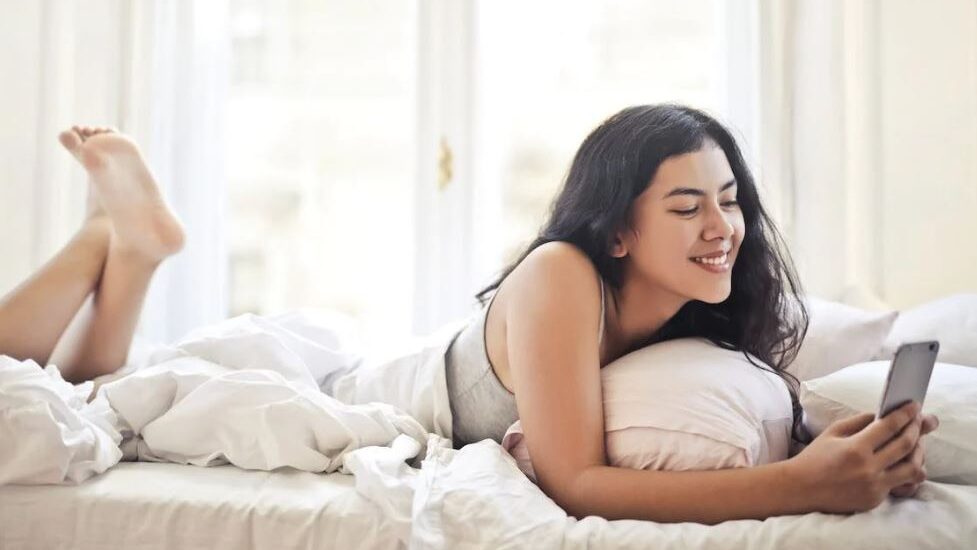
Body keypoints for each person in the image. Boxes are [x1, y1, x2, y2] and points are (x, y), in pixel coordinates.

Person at [0, 106, 938, 525]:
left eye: (729, 199)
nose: (723, 228)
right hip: (320, 385)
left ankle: (123, 248)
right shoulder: (560, 274)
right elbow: (575, 480)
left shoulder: (707, 308)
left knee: (92, 383)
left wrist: (835, 442)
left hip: (365, 365)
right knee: (64, 393)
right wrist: (803, 488)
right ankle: (112, 248)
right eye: (687, 206)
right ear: (616, 229)